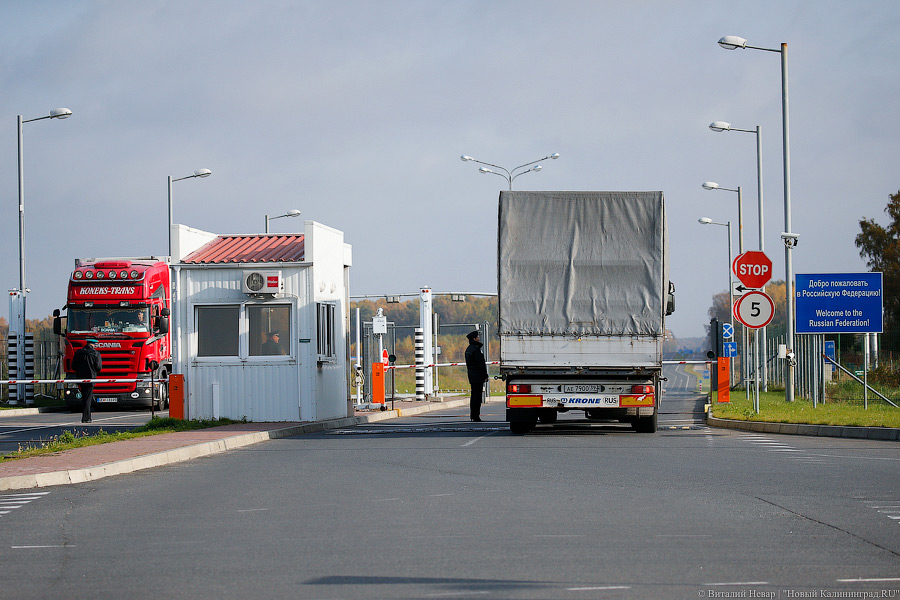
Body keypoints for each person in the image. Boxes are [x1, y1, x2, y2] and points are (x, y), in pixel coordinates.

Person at [72, 338, 102, 423]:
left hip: (80, 378)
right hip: (90, 378)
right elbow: (98, 368)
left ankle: (86, 417)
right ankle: (86, 418)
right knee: (87, 398)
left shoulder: (78, 352)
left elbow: (73, 366)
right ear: (94, 344)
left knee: (84, 397)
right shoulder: (95, 353)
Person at [464, 330, 489, 422]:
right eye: (477, 337)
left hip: (472, 375)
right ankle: (476, 416)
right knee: (477, 397)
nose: (479, 338)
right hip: (478, 376)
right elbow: (480, 364)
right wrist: (485, 375)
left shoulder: (469, 349)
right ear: (474, 339)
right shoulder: (476, 350)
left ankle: (473, 415)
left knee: (474, 395)